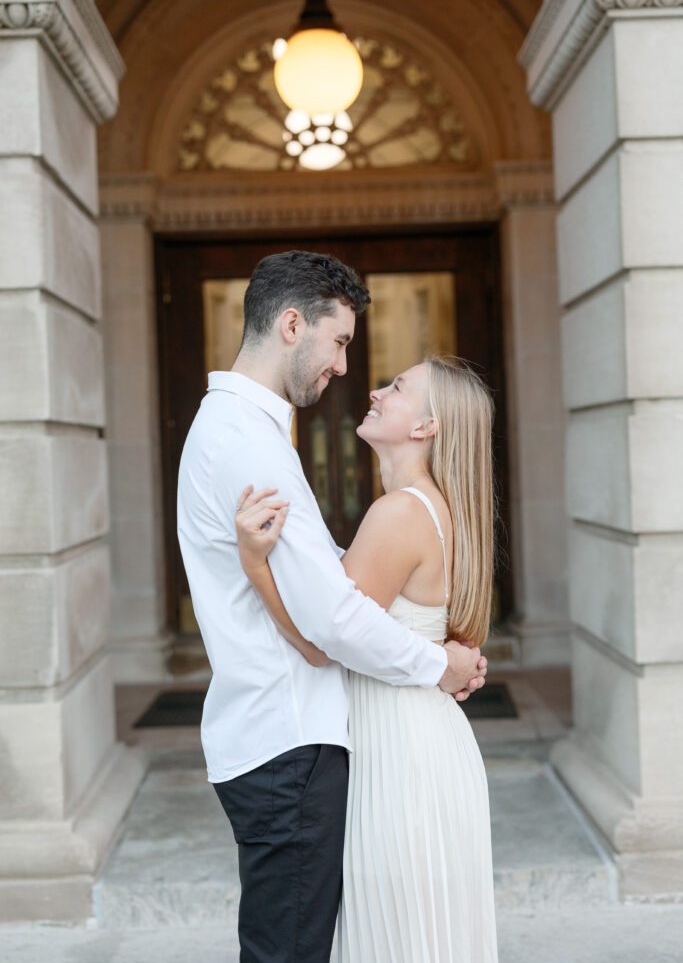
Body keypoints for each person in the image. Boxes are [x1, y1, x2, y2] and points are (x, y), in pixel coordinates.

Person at [177, 250, 487, 963]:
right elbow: (332, 625)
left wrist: (437, 653)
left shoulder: (245, 432)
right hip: (287, 740)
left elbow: (335, 616)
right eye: (340, 341)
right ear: (292, 324)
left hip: (303, 736)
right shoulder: (246, 441)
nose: (350, 372)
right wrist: (435, 661)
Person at [236, 355, 498, 962]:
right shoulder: (431, 506)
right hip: (423, 744)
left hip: (402, 756)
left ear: (427, 427)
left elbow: (322, 643)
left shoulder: (400, 511)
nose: (377, 390)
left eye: (399, 387)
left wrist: (253, 564)